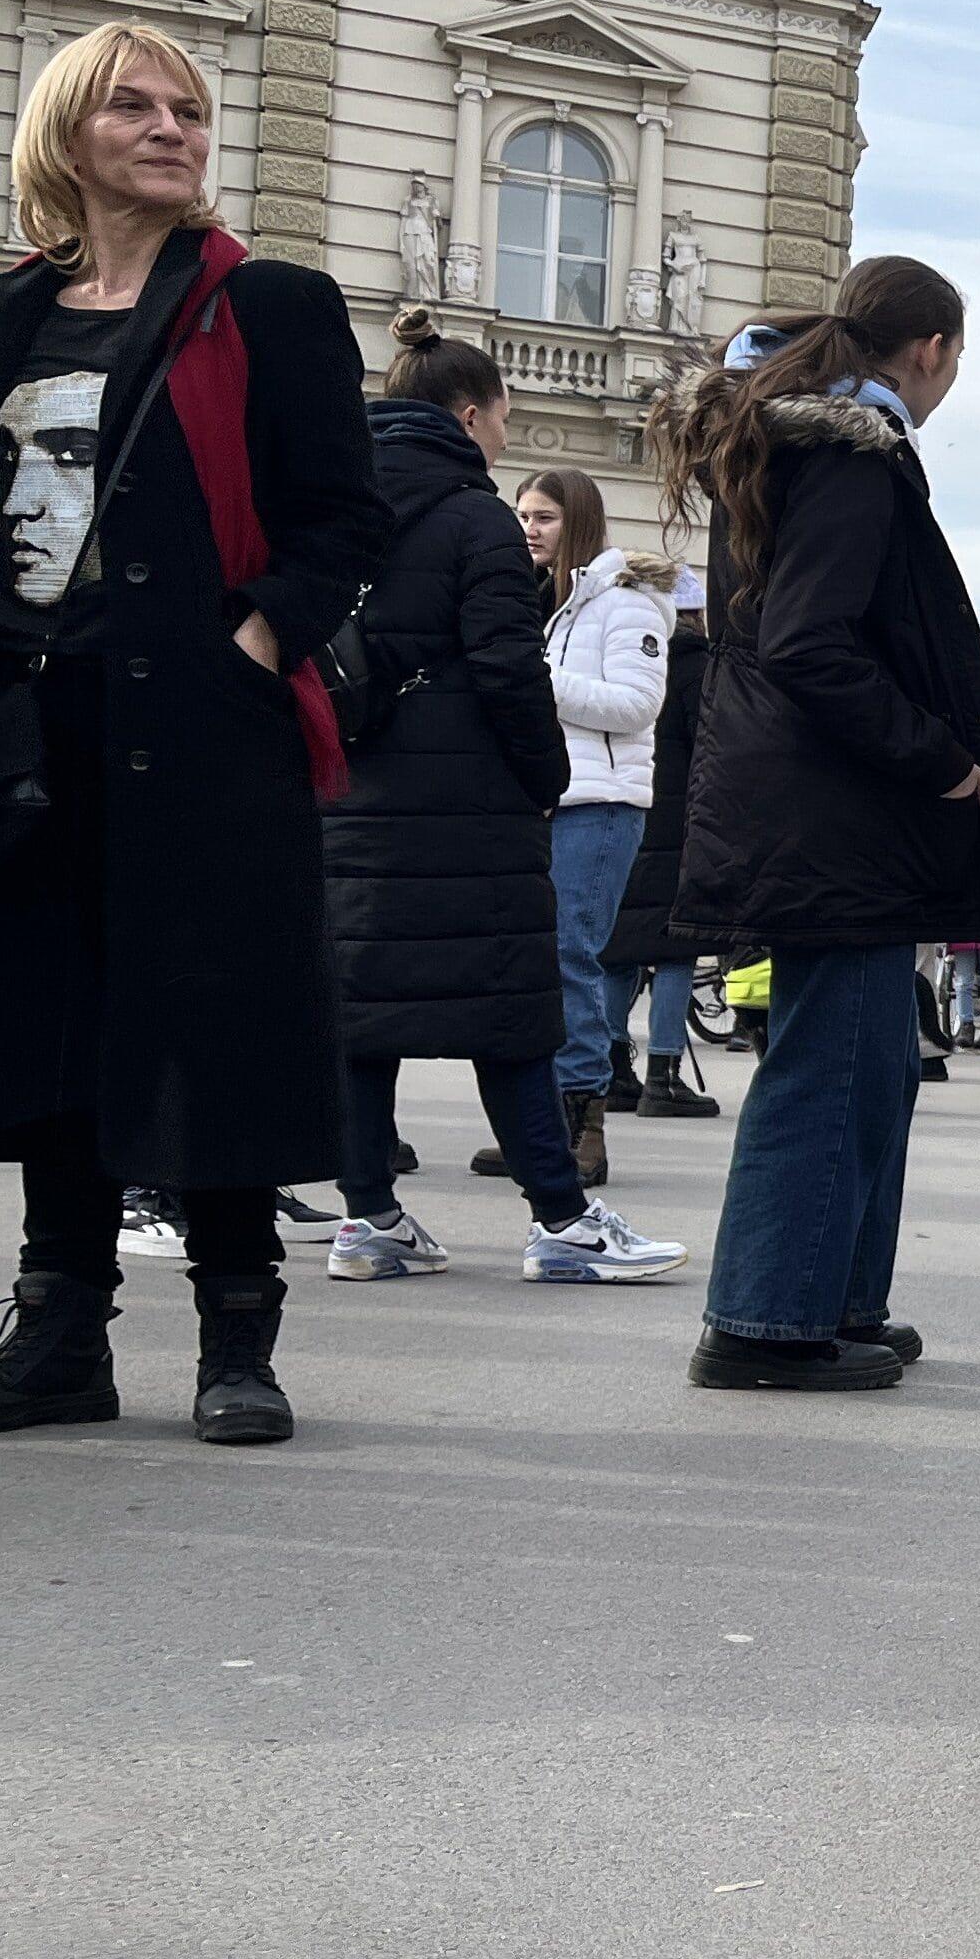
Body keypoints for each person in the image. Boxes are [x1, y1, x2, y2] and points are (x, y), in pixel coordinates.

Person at [0, 21, 386, 1445]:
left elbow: (342, 517)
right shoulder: (8, 318)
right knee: (56, 1033)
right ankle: (59, 1335)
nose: (172, 129)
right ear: (66, 136)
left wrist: (256, 636)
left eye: (191, 110)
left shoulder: (267, 302)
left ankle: (237, 1337)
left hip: (205, 730)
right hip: (36, 730)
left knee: (213, 1020)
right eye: (134, 108)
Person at [660, 256, 980, 1393]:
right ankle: (765, 1321)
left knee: (864, 1063)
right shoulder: (851, 451)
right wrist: (939, 755)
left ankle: (833, 1298)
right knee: (831, 1063)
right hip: (836, 803)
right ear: (935, 350)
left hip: (803, 797)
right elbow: (812, 641)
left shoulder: (791, 439)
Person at [319, 314, 683, 1286]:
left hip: (347, 793)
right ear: (472, 413)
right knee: (513, 1009)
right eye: (503, 415)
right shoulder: (472, 517)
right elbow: (504, 667)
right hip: (469, 803)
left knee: (360, 1012)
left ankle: (369, 1222)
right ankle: (562, 1222)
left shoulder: (331, 506)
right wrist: (543, 777)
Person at [468, 467, 666, 1191]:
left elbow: (637, 704)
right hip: (549, 801)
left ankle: (584, 1123)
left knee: (568, 956)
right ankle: (543, 1127)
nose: (529, 529)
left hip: (602, 805)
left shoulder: (625, 602)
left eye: (544, 516)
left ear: (578, 521)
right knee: (536, 961)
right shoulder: (550, 605)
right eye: (522, 514)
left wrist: (534, 681)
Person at [599, 573, 718, 1121]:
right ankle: (662, 1076)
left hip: (621, 811)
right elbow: (712, 754)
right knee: (676, 952)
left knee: (616, 951)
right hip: (680, 828)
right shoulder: (701, 669)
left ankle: (611, 1069)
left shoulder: (622, 658)